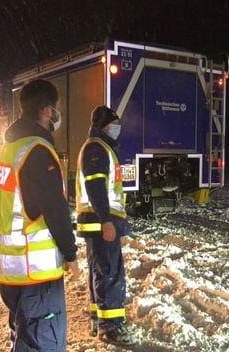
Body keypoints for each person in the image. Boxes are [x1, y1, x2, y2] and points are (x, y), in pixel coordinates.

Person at [0, 79, 79, 351]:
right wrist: (70, 253)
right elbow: (55, 209)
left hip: (13, 274)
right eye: (56, 107)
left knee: (24, 338)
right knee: (44, 342)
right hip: (36, 274)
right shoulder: (38, 151)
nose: (58, 113)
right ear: (47, 111)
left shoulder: (10, 149)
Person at [76, 105, 135, 346]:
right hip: (101, 223)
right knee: (110, 273)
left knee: (100, 270)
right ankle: (110, 328)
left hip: (98, 222)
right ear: (102, 126)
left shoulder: (100, 147)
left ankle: (98, 317)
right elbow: (96, 187)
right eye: (114, 124)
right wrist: (106, 220)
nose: (117, 128)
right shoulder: (96, 148)